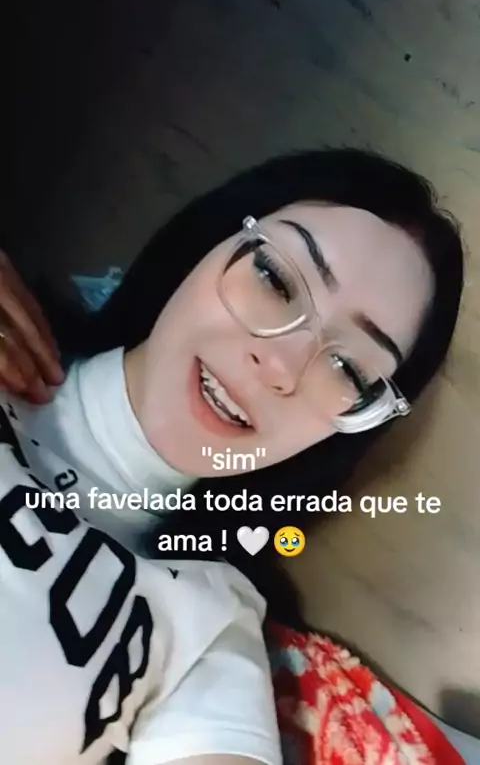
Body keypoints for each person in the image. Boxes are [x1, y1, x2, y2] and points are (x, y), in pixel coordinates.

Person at [0, 148, 464, 764]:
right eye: (275, 280)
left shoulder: (212, 625)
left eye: (349, 369)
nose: (280, 365)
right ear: (209, 243)